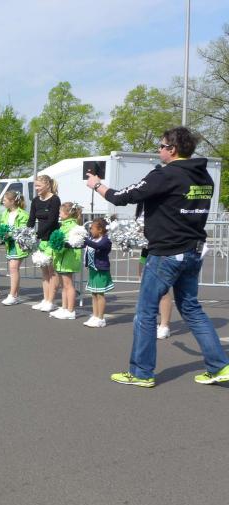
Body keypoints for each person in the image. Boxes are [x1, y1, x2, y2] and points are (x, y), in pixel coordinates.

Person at [87, 126, 229, 387]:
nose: (158, 150)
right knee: (191, 308)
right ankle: (219, 365)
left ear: (172, 149)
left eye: (161, 146)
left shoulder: (165, 174)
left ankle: (141, 372)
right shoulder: (204, 176)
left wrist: (97, 185)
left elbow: (123, 197)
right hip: (193, 250)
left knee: (145, 312)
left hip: (166, 253)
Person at [29, 174, 61, 312]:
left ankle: (51, 301)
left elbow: (52, 221)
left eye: (39, 186)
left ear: (47, 185)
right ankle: (45, 299)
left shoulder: (55, 199)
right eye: (35, 186)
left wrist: (37, 234)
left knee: (52, 271)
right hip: (42, 240)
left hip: (52, 238)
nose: (36, 188)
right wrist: (26, 233)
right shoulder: (35, 200)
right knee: (44, 271)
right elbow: (31, 220)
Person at [49, 202, 83, 320]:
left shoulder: (72, 226)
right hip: (61, 259)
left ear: (67, 213)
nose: (59, 214)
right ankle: (64, 308)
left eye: (60, 212)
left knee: (68, 285)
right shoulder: (64, 225)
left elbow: (67, 243)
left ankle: (71, 310)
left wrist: (57, 248)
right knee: (64, 285)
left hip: (67, 259)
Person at [83, 218, 113, 328]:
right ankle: (95, 316)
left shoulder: (105, 240)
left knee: (100, 294)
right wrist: (69, 243)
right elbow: (83, 245)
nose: (90, 230)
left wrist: (85, 240)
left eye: (92, 228)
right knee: (94, 294)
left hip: (101, 270)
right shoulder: (92, 239)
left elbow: (98, 246)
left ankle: (101, 318)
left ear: (100, 230)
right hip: (93, 270)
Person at [1, 191, 29, 305]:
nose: (3, 202)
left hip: (18, 244)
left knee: (13, 268)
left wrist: (9, 234)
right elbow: (2, 226)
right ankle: (15, 295)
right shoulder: (5, 213)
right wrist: (1, 233)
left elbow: (22, 230)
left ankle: (12, 295)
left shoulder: (23, 214)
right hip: (9, 244)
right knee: (13, 269)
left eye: (5, 200)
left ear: (12, 201)